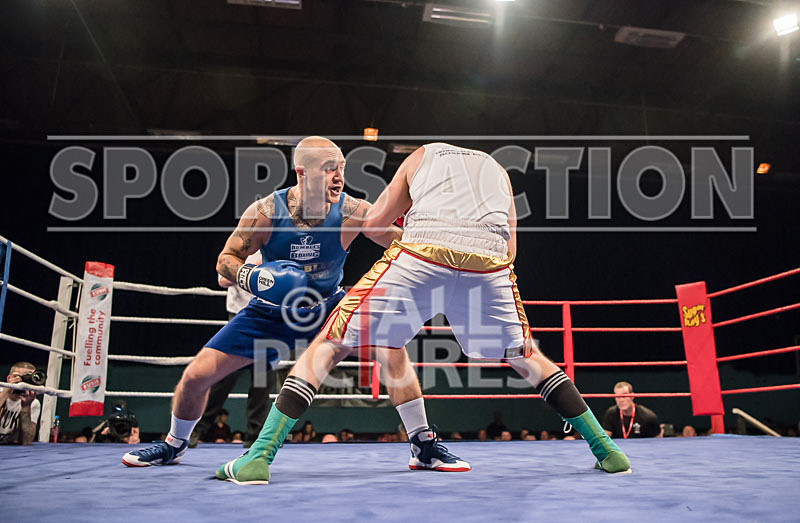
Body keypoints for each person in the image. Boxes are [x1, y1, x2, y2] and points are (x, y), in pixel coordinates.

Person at [215, 142, 629, 484]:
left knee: (330, 341)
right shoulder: (499, 172)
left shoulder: (421, 156)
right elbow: (511, 250)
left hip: (423, 250)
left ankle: (259, 458)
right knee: (525, 355)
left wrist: (414, 228)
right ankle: (607, 450)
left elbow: (375, 224)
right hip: (489, 263)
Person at [123, 137, 466, 472]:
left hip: (329, 308)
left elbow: (399, 241)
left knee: (391, 347)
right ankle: (174, 444)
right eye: (329, 168)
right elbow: (225, 261)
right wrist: (254, 278)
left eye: (342, 168)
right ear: (302, 172)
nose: (339, 177)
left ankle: (422, 445)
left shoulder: (353, 211)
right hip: (269, 312)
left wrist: (443, 239)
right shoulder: (265, 213)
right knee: (195, 376)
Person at [190, 251, 270, 448]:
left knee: (262, 380)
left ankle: (255, 436)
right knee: (224, 377)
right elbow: (222, 281)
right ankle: (197, 428)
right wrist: (250, 266)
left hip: (267, 317)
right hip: (240, 318)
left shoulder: (274, 246)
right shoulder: (237, 249)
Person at [0, 362, 41, 445]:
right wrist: (6, 391)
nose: (23, 383)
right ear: (9, 378)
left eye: (28, 379)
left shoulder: (33, 403)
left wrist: (26, 407)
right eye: (19, 377)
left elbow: (27, 440)